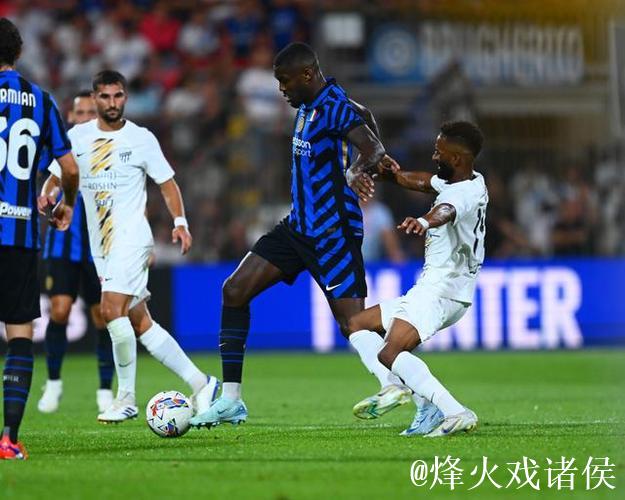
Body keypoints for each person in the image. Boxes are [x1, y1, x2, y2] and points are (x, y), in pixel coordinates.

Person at [191, 42, 393, 428]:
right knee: (234, 290)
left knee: (355, 324)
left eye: (284, 81)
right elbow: (365, 113)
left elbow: (374, 147)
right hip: (298, 228)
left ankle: (409, 388)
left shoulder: (332, 106)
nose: (281, 89)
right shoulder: (310, 102)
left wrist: (357, 170)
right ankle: (231, 400)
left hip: (333, 234)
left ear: (307, 75)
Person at [42, 70, 219, 423]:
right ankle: (203, 383)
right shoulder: (77, 137)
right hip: (102, 245)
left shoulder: (141, 138)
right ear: (95, 99)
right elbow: (56, 177)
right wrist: (48, 198)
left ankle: (125, 398)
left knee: (111, 310)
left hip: (132, 237)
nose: (112, 103)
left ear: (125, 97)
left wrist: (180, 222)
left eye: (118, 95)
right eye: (105, 96)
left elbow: (167, 183)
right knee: (139, 321)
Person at [346, 121, 488, 437]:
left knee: (390, 353)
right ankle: (408, 394)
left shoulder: (462, 195)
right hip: (439, 288)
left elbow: (446, 209)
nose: (434, 156)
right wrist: (391, 175)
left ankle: (454, 411)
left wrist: (424, 221)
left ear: (456, 158)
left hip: (442, 291)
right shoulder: (471, 180)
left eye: (439, 152)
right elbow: (426, 182)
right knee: (357, 324)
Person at [0, 18, 79, 460]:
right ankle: (9, 439)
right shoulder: (40, 100)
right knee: (19, 334)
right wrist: (66, 204)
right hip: (18, 234)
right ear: (18, 52)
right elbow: (69, 168)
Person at [37, 91, 115, 415]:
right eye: (79, 112)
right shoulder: (63, 147)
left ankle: (105, 390)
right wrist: (47, 195)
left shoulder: (108, 146)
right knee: (59, 311)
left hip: (99, 250)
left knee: (103, 317)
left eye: (89, 112)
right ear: (70, 116)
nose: (83, 117)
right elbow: (51, 180)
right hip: (62, 245)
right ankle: (53, 383)